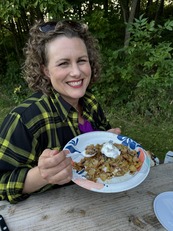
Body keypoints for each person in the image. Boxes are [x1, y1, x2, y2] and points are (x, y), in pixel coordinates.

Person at [0, 19, 121, 204]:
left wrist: (107, 141)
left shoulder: (91, 103)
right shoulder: (25, 120)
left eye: (81, 60)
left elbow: (99, 146)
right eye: (63, 63)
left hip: (100, 202)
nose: (76, 72)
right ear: (45, 70)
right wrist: (41, 175)